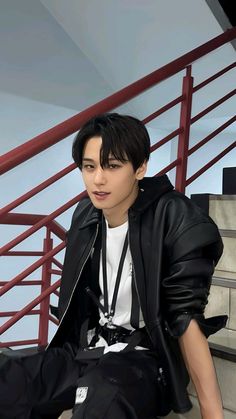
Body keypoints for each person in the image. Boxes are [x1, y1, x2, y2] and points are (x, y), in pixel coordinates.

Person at [0, 113, 227, 419]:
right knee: (9, 375)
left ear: (141, 167)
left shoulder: (175, 218)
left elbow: (185, 319)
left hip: (145, 360)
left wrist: (212, 413)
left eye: (113, 166)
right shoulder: (86, 216)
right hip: (90, 347)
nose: (98, 179)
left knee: (101, 397)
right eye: (89, 166)